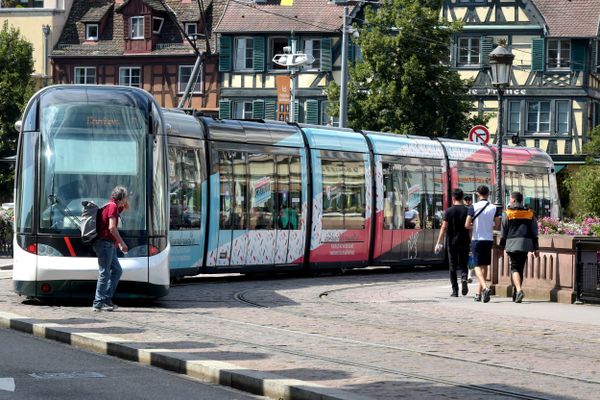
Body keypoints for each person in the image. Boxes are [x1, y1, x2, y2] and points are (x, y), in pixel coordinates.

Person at [92, 186, 129, 312]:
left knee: (117, 270)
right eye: (125, 197)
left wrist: (124, 202)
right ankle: (98, 303)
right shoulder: (112, 207)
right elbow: (112, 228)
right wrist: (122, 243)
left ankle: (106, 299)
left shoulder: (113, 206)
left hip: (108, 244)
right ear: (121, 197)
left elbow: (127, 208)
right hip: (105, 244)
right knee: (105, 273)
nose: (126, 200)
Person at [499, 191, 540, 303]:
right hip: (526, 243)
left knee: (515, 268)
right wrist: (536, 248)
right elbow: (534, 232)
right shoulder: (530, 213)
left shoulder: (507, 213)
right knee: (520, 268)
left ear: (513, 200)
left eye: (510, 199)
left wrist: (500, 248)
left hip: (512, 243)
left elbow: (503, 232)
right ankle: (516, 294)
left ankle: (518, 290)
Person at [465, 185, 501, 303]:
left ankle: (485, 288)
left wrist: (474, 226)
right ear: (488, 194)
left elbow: (467, 224)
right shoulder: (493, 208)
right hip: (488, 239)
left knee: (476, 265)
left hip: (477, 239)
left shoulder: (473, 207)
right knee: (484, 266)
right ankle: (478, 293)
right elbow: (497, 224)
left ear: (477, 194)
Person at [435, 188, 471, 297]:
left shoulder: (449, 211)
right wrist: (471, 241)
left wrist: (438, 242)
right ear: (462, 197)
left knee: (452, 266)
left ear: (453, 198)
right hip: (465, 241)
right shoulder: (467, 210)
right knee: (464, 263)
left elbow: (444, 227)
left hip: (452, 242)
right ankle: (464, 277)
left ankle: (455, 290)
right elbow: (469, 228)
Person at [464, 195, 474, 283]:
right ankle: (468, 275)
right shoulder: (468, 209)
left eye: (469, 200)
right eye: (466, 200)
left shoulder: (472, 209)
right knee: (469, 257)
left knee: (470, 256)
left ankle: (469, 275)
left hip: (470, 237)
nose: (467, 201)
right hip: (467, 237)